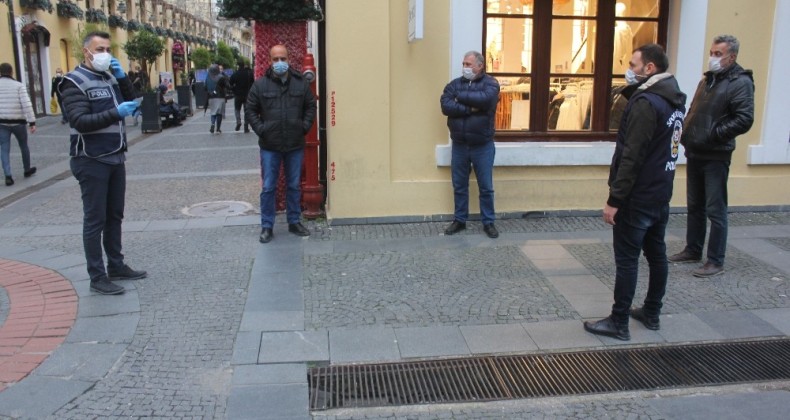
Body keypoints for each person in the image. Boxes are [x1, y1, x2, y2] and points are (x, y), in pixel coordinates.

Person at [583, 44, 686, 341]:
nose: (629, 69)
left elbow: (633, 155)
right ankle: (652, 312)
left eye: (633, 64)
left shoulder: (647, 103)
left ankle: (619, 320)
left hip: (638, 196)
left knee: (628, 260)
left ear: (649, 68)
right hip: (659, 191)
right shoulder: (673, 100)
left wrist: (615, 199)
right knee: (657, 255)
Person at [60, 31, 147, 295]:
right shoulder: (72, 81)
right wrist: (115, 113)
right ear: (86, 51)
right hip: (91, 159)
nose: (104, 54)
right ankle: (97, 276)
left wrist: (122, 78)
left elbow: (130, 100)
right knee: (95, 219)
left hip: (115, 155)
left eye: (107, 49)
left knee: (114, 215)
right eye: (99, 49)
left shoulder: (109, 77)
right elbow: (79, 121)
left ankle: (116, 265)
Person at [669, 35, 755, 278]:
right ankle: (693, 249)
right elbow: (695, 110)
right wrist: (687, 132)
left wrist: (713, 135)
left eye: (718, 54)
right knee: (695, 205)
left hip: (716, 153)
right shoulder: (708, 80)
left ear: (732, 57)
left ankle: (715, 260)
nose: (713, 58)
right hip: (696, 150)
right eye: (712, 53)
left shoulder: (740, 82)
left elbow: (744, 118)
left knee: (715, 208)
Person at [246, 44, 317, 243]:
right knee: (269, 186)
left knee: (294, 185)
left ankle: (294, 221)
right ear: (270, 61)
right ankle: (267, 226)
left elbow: (310, 105)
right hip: (270, 145)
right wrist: (262, 129)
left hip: (294, 143)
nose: (279, 63)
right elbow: (250, 109)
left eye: (283, 59)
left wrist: (303, 126)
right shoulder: (260, 85)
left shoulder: (300, 83)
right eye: (276, 59)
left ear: (288, 60)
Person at [439, 50, 501, 239]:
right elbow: (445, 105)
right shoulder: (455, 84)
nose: (465, 67)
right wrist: (471, 108)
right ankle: (459, 220)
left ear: (480, 65)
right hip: (460, 145)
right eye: (464, 64)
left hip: (483, 145)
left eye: (469, 64)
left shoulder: (491, 84)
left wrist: (461, 98)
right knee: (459, 185)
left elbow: (486, 100)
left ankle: (488, 222)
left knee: (486, 187)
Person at [0, 63, 37, 186]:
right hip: (18, 122)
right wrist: (32, 121)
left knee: (4, 148)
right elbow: (26, 104)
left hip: (2, 122)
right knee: (23, 145)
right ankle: (27, 169)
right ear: (11, 72)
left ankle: (8, 175)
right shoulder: (18, 86)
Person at [229, 61, 254, 132]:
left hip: (238, 95)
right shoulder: (249, 73)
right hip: (247, 95)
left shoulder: (235, 74)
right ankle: (246, 126)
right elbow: (253, 82)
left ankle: (238, 121)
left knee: (237, 109)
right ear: (244, 65)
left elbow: (230, 83)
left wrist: (234, 89)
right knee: (247, 111)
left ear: (238, 66)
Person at [205, 64, 229, 134]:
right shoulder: (221, 77)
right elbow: (227, 85)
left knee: (213, 112)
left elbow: (205, 87)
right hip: (220, 97)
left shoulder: (208, 77)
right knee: (219, 113)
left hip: (211, 97)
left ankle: (212, 123)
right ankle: (218, 128)